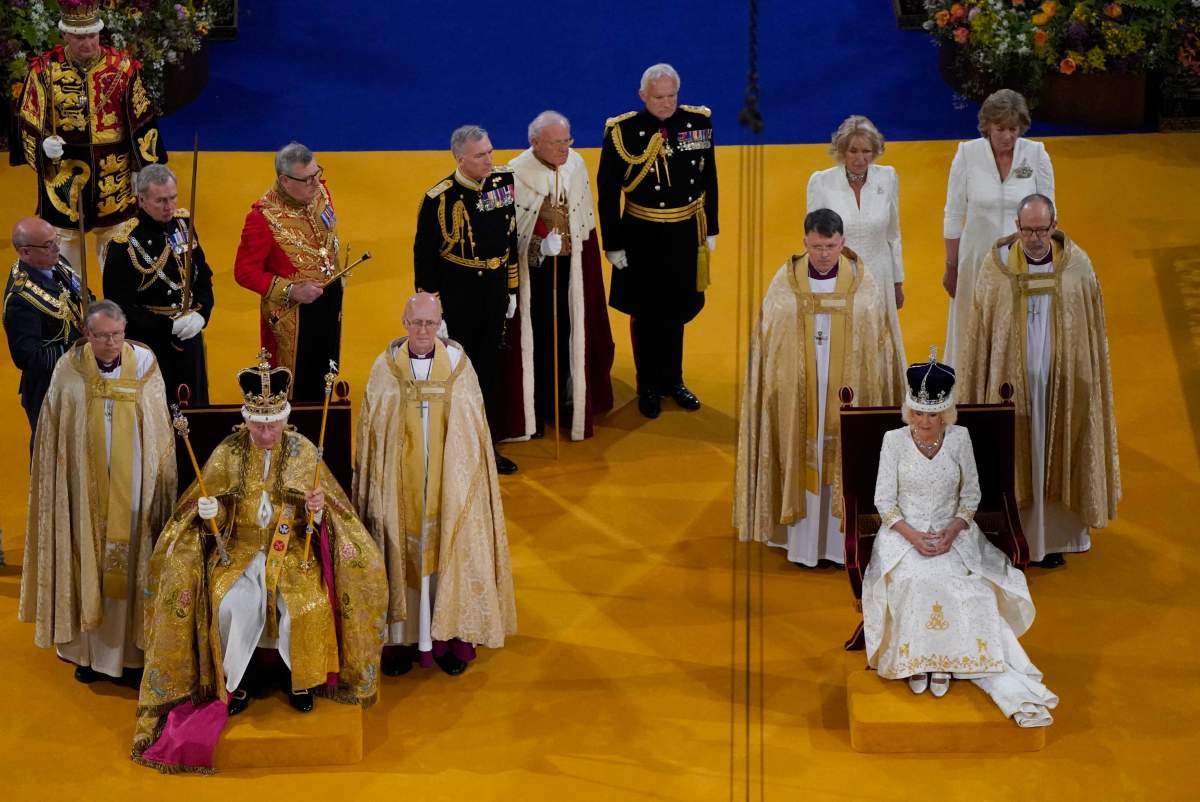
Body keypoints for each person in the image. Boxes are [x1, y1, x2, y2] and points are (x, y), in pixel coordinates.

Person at [132, 350, 387, 774]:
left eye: (274, 424)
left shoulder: (305, 451)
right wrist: (211, 512)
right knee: (234, 604)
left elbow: (334, 513)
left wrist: (318, 511)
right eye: (259, 424)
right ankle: (241, 682)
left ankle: (299, 682)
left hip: (292, 556)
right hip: (240, 552)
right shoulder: (228, 453)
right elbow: (200, 504)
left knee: (305, 607)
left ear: (286, 419)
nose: (267, 433)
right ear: (246, 420)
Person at [862, 352, 1057, 726]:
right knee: (914, 581)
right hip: (903, 535)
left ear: (946, 414)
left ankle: (946, 662)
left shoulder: (960, 439)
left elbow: (971, 496)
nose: (924, 422)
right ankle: (919, 659)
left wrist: (952, 531)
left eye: (932, 415)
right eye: (917, 413)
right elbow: (883, 501)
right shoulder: (893, 441)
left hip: (955, 535)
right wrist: (915, 538)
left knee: (968, 585)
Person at [353, 293, 517, 678]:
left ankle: (449, 639)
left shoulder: (459, 366)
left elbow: (472, 432)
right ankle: (400, 640)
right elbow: (374, 432)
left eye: (430, 323)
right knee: (398, 549)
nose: (423, 331)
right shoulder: (385, 368)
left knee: (448, 550)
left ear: (440, 323)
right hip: (399, 490)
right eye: (416, 323)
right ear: (404, 322)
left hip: (448, 487)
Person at [18, 300, 177, 686]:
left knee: (134, 558)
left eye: (117, 335)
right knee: (85, 555)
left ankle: (133, 655)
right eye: (103, 336)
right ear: (87, 334)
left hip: (135, 489)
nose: (111, 343)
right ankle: (87, 653)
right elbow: (56, 436)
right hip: (83, 492)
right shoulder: (69, 371)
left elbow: (159, 432)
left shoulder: (144, 365)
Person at [734, 209, 905, 567]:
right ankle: (802, 545)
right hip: (800, 398)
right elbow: (770, 341)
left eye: (830, 246)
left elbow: (878, 346)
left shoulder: (864, 284)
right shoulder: (787, 283)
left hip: (849, 393)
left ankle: (841, 544)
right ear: (805, 242)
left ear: (842, 242)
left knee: (845, 453)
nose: (824, 254)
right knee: (803, 452)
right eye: (817, 247)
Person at [960, 194, 1120, 568]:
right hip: (1009, 386)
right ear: (1016, 226)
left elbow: (1090, 333)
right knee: (1013, 452)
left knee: (1054, 449)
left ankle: (1054, 540)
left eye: (1041, 229)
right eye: (1026, 229)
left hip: (1061, 386)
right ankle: (1010, 536)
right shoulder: (995, 267)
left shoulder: (1077, 267)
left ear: (1054, 224)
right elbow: (980, 335)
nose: (1033, 237)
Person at [9, 0, 167, 277]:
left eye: (92, 36)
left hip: (114, 177)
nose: (87, 43)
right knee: (63, 256)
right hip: (64, 176)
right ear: (66, 36)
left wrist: (140, 172)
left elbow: (142, 121)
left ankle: (119, 314)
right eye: (80, 38)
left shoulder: (123, 68)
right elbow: (27, 118)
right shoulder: (45, 70)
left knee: (119, 254)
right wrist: (44, 144)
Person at [597, 63, 718, 419]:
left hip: (684, 232)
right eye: (658, 97)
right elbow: (607, 193)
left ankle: (673, 381)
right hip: (642, 234)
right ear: (642, 96)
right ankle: (648, 384)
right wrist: (613, 243)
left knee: (678, 309)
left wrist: (710, 228)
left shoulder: (697, 123)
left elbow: (709, 177)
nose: (667, 104)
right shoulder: (622, 131)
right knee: (647, 313)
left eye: (672, 96)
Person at [414, 125, 521, 473]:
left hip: (493, 291)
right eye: (480, 155)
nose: (490, 159)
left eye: (490, 151)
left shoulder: (504, 181)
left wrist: (511, 289)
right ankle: (452, 446)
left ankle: (485, 444)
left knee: (490, 371)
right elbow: (425, 257)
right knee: (456, 374)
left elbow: (511, 237)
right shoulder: (438, 200)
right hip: (459, 296)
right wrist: (435, 310)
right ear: (461, 159)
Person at [510, 110, 615, 440]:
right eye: (555, 143)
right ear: (534, 142)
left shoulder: (576, 165)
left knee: (571, 332)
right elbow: (514, 234)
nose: (563, 149)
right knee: (540, 338)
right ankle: (537, 409)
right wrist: (540, 246)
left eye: (567, 140)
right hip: (537, 275)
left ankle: (568, 400)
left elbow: (584, 219)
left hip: (573, 270)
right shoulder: (515, 173)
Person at [942, 89, 1054, 368]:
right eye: (1000, 128)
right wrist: (951, 266)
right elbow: (954, 215)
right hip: (976, 258)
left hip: (1024, 260)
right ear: (987, 126)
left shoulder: (1037, 154)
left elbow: (1050, 211)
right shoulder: (966, 154)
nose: (1007, 136)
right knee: (971, 327)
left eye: (1014, 128)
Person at [234, 142, 343, 402]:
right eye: (307, 179)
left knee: (326, 371)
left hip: (328, 301)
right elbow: (244, 271)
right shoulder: (262, 217)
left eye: (317, 174)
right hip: (292, 316)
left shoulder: (319, 190)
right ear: (284, 180)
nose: (316, 183)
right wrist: (291, 289)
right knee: (295, 385)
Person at [103, 164, 214, 404]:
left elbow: (203, 276)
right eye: (160, 200)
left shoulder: (183, 224)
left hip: (190, 336)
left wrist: (202, 314)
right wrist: (167, 327)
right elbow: (119, 307)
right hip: (152, 345)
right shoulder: (124, 244)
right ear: (141, 199)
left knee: (195, 404)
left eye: (173, 198)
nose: (169, 207)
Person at [807, 115, 906, 365]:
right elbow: (814, 240)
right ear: (841, 150)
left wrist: (897, 281)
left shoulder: (888, 177)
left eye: (866, 151)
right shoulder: (821, 182)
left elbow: (893, 234)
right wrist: (817, 283)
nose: (860, 158)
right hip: (840, 278)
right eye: (853, 150)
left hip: (881, 276)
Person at [3, 216, 88, 438]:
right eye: (48, 244)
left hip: (76, 380)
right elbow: (28, 358)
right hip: (48, 390)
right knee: (50, 456)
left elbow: (81, 297)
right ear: (25, 252)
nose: (57, 248)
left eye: (55, 240)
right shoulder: (20, 300)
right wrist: (77, 347)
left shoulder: (58, 264)